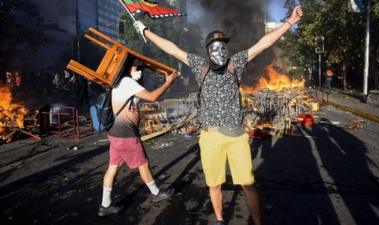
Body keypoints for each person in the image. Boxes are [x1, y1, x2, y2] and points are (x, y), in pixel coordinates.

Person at [133, 5, 303, 225]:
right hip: (210, 136)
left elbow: (263, 43)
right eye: (215, 46)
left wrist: (290, 22)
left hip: (236, 137)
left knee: (248, 184)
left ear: (227, 48)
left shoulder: (236, 63)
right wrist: (146, 32)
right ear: (207, 49)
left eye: (223, 45)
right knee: (214, 184)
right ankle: (220, 220)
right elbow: (172, 49)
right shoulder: (199, 65)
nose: (220, 50)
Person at [98, 60, 177, 217]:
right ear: (126, 68)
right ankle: (155, 193)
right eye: (136, 67)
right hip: (126, 134)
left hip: (115, 133)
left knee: (113, 167)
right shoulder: (127, 82)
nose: (139, 70)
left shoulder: (120, 82)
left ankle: (104, 205)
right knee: (143, 164)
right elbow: (153, 96)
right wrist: (168, 83)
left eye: (140, 68)